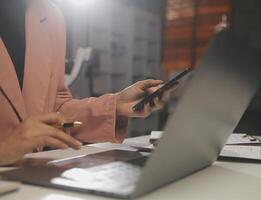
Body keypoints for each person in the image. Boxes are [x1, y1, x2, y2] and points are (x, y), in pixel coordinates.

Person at [0, 0, 168, 165]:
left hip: (28, 180)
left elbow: (53, 109)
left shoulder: (50, 15)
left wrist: (114, 106)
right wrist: (5, 148)